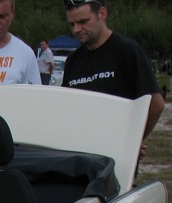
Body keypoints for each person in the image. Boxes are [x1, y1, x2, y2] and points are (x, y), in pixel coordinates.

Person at [61, 1, 164, 140]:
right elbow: (68, 108)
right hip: (82, 150)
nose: (76, 30)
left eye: (83, 21)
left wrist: (132, 142)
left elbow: (155, 104)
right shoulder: (73, 60)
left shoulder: (127, 51)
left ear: (102, 14)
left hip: (116, 154)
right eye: (72, 24)